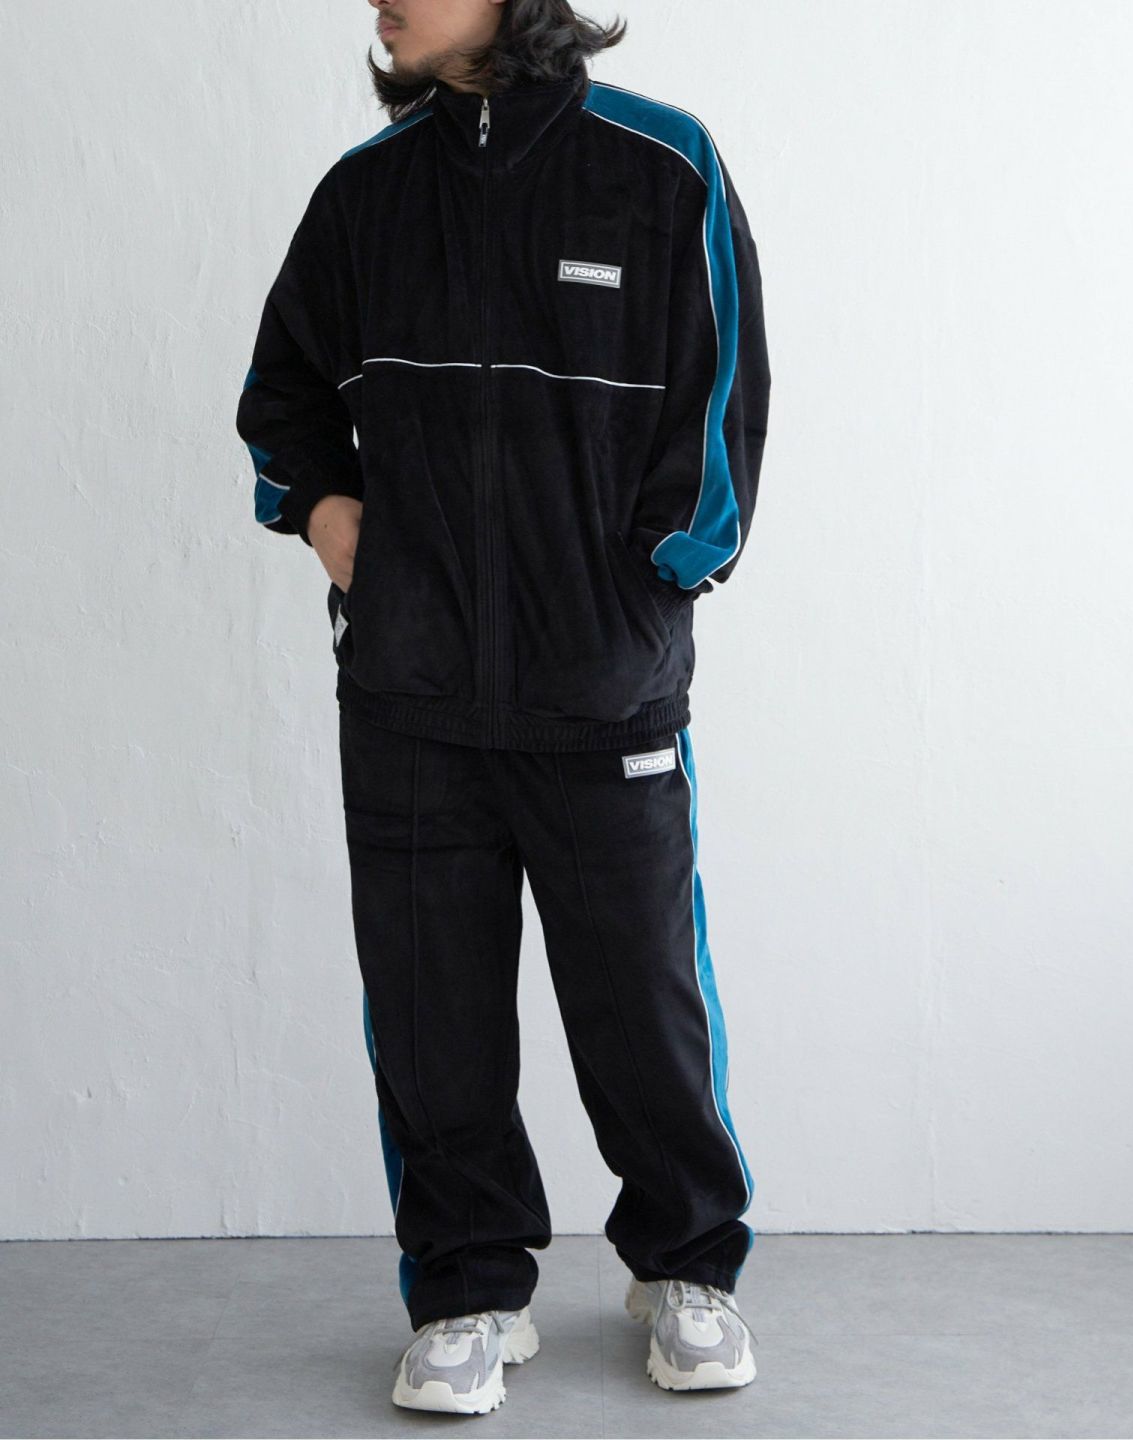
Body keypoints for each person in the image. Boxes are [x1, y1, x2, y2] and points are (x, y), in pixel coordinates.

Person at [235, 0, 770, 1415]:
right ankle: (468, 1288)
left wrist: (649, 592)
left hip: (603, 696)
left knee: (644, 1006)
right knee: (432, 1022)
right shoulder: (366, 196)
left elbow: (721, 411)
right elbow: (282, 393)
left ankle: (687, 1266)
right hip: (410, 694)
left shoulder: (661, 166)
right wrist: (330, 518)